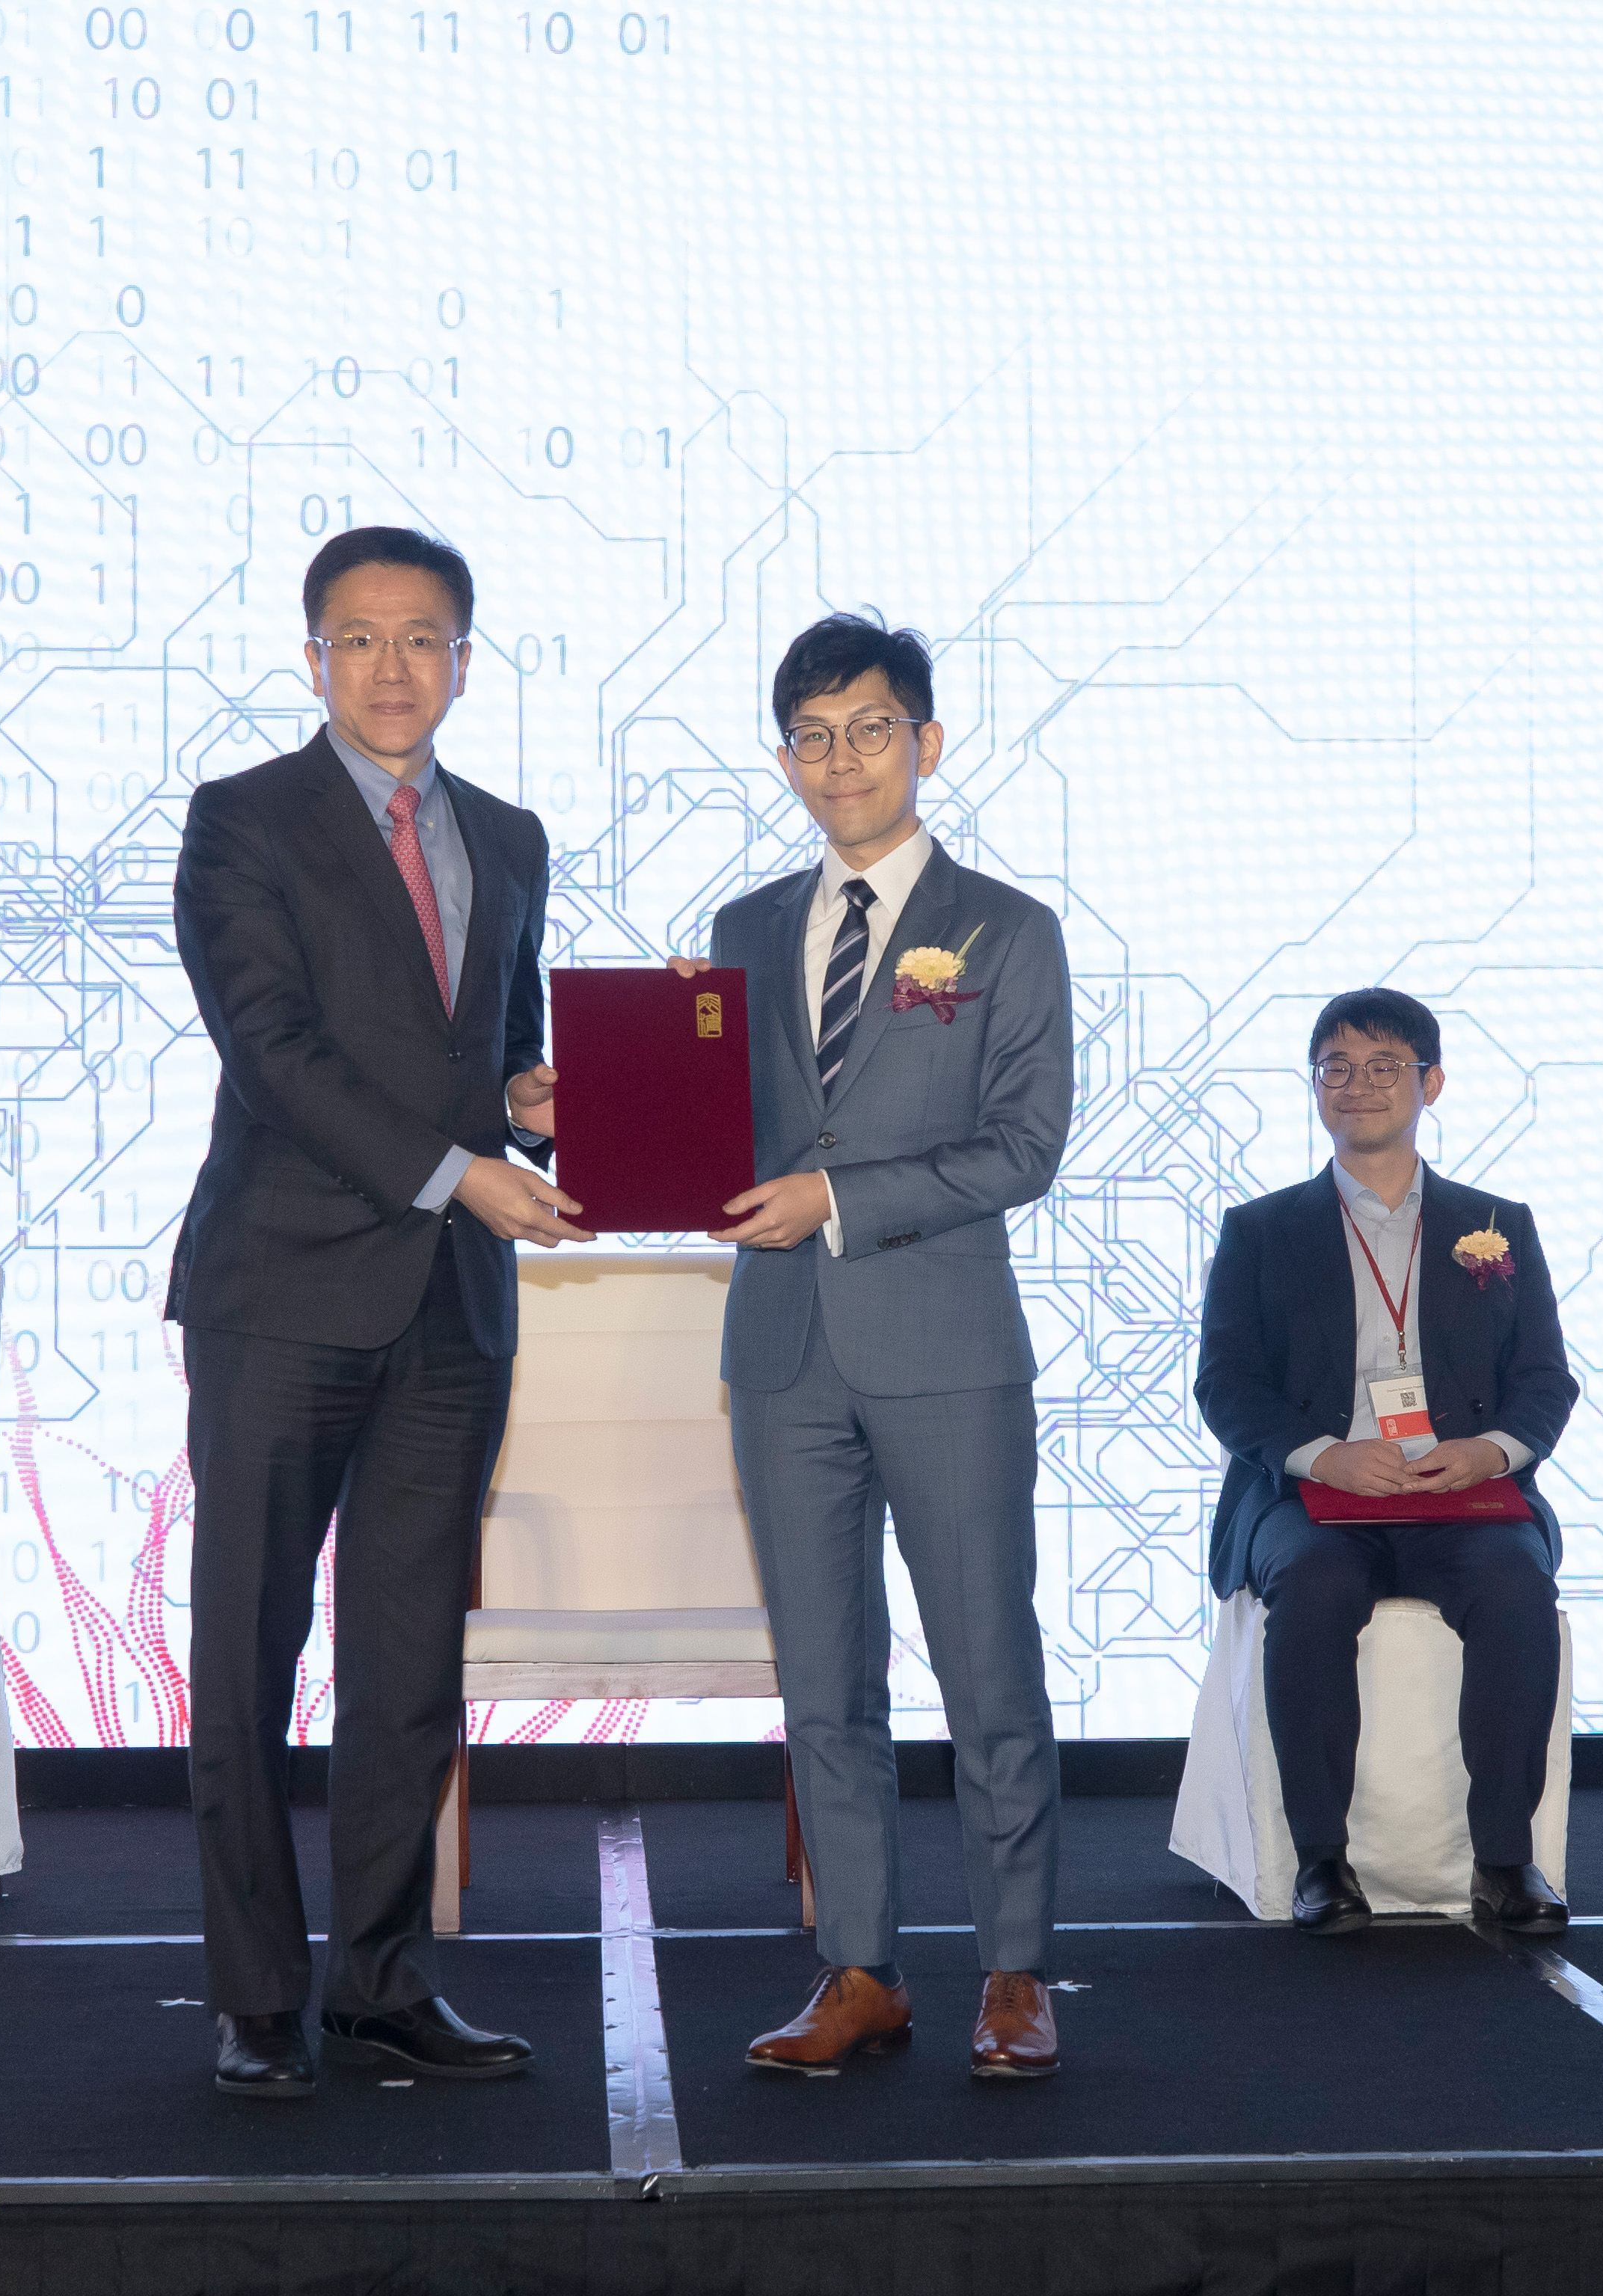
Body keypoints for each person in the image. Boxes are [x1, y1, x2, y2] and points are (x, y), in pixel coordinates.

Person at [168, 527, 585, 2098]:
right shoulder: (242, 822)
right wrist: (459, 1168)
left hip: (446, 1313)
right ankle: (256, 1995)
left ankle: (384, 1984)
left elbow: (502, 1054)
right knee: (249, 1651)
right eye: (360, 640)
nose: (393, 668)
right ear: (313, 657)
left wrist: (539, 1112)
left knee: (408, 1662)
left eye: (424, 640)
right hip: (280, 1288)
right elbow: (272, 1051)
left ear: (464, 662)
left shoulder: (511, 832)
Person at [689, 613, 1074, 2082]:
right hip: (779, 1350)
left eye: (867, 727)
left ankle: (1015, 1974)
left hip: (945, 1347)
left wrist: (839, 1200)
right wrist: (563, 1110)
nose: (838, 758)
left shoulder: (1004, 930)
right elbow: (704, 1137)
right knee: (823, 1684)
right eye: (811, 734)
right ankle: (857, 1970)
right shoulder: (738, 932)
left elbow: (1022, 1147)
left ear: (923, 740)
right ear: (784, 757)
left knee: (989, 1668)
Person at [1195, 989, 1578, 1936]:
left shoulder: (1497, 1223)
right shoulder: (1260, 1231)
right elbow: (1226, 1386)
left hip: (1464, 1496)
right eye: (1336, 1068)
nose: (1357, 1086)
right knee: (1315, 1588)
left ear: (1429, 1083)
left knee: (1517, 1590)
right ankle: (1321, 1862)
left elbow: (1543, 1382)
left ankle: (1503, 1861)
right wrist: (1327, 1456)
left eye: (1383, 1067)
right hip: (1314, 1498)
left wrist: (1483, 1451)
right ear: (1314, 1088)